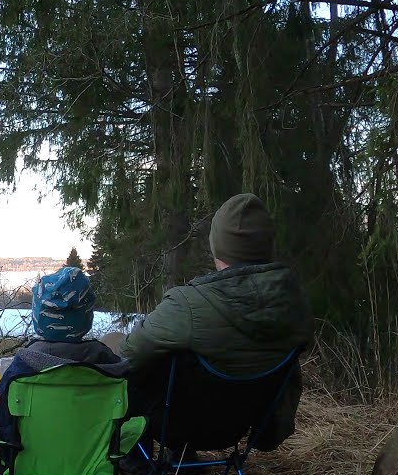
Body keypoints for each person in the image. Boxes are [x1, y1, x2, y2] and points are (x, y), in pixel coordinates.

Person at [120, 193, 313, 450]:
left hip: (177, 427)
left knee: (137, 371)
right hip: (241, 425)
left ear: (218, 246)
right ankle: (184, 459)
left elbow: (128, 356)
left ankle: (135, 464)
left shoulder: (187, 305)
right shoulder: (295, 304)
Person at [0, 266, 129, 475]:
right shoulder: (110, 366)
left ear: (38, 317)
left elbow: (3, 412)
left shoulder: (23, 366)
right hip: (90, 469)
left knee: (4, 441)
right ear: (86, 316)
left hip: (29, 469)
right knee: (73, 444)